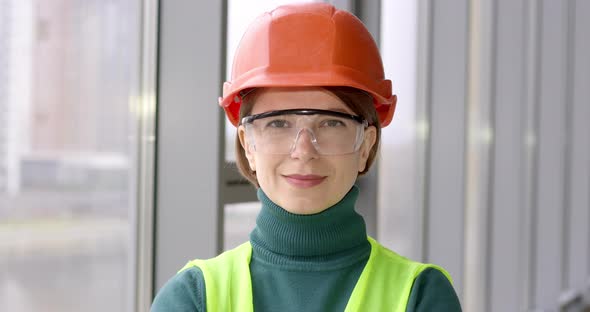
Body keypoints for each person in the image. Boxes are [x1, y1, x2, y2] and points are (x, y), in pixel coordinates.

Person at [151, 3, 462, 311]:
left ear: (366, 145)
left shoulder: (420, 296)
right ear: (248, 145)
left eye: (330, 123)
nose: (303, 151)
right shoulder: (193, 297)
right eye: (278, 123)